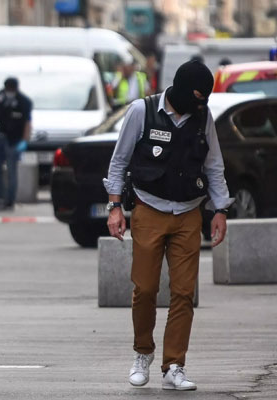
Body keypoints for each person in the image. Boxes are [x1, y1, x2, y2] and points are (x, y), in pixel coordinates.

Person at [105, 60, 232, 391]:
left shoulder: (203, 117)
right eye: (195, 97)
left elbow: (214, 167)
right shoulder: (141, 111)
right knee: (145, 289)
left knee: (183, 293)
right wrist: (115, 207)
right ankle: (142, 353)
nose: (199, 105)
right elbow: (119, 161)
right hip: (149, 209)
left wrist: (220, 210)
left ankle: (174, 364)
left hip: (189, 213)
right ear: (178, 89)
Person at [0, 77, 32, 210]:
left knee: (12, 171)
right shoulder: (1, 96)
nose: (9, 91)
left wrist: (24, 140)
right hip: (0, 136)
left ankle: (10, 200)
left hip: (14, 140)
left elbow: (28, 123)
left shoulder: (24, 102)